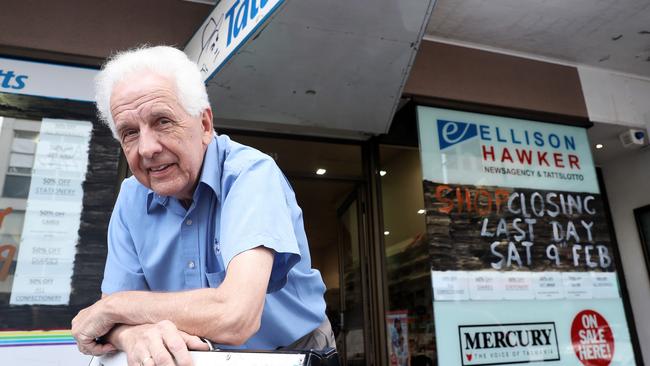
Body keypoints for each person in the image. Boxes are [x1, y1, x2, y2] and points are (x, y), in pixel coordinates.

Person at [71, 46, 335, 366]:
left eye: (163, 121)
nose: (148, 148)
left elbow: (236, 316)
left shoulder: (250, 174)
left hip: (291, 352)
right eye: (129, 132)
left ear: (205, 125)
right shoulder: (131, 197)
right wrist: (130, 334)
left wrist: (117, 308)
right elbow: (109, 322)